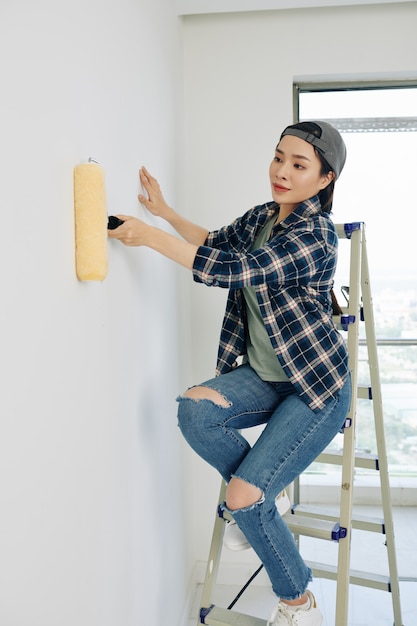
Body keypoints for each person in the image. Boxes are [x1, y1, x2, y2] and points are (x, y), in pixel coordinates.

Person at [108, 120, 352, 626]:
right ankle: (262, 496)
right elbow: (218, 245)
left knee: (242, 497)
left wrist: (150, 237)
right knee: (195, 409)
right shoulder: (265, 216)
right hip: (266, 377)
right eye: (279, 157)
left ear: (325, 180)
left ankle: (299, 602)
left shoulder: (317, 235)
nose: (281, 171)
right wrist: (165, 213)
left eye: (299, 165)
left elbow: (231, 271)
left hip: (315, 388)